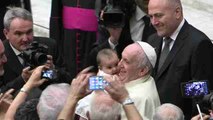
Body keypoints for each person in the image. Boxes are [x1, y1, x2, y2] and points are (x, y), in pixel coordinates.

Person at [147, 0, 213, 119]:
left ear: (177, 12)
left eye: (158, 15)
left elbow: (200, 93)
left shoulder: (199, 44)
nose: (154, 22)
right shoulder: (152, 40)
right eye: (151, 16)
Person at [1, 7, 71, 94]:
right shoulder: (1, 54)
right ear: (6, 33)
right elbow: (1, 92)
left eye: (29, 32)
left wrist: (52, 70)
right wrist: (23, 79)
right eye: (18, 33)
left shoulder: (49, 46)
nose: (25, 39)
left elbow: (68, 80)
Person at [49, 0, 98, 79]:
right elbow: (55, 18)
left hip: (93, 41)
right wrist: (55, 50)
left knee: (93, 79)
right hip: (68, 42)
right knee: (67, 78)